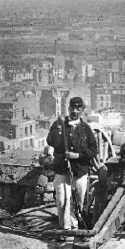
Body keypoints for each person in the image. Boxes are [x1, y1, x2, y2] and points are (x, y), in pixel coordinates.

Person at [46, 97, 97, 236]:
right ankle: (65, 229)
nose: (74, 111)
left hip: (79, 171)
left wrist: (78, 156)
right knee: (62, 200)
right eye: (72, 108)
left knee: (78, 201)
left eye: (78, 109)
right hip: (62, 170)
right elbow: (50, 140)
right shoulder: (60, 124)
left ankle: (74, 228)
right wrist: (58, 129)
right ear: (68, 109)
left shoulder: (86, 129)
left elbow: (93, 151)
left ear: (82, 111)